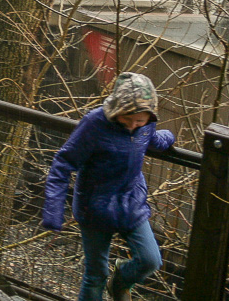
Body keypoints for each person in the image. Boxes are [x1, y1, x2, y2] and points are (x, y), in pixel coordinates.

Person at [41, 71, 175, 301]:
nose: (133, 125)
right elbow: (63, 163)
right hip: (95, 209)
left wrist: (169, 137)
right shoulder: (94, 123)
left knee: (150, 260)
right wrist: (54, 210)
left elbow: (153, 140)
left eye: (140, 121)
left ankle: (120, 280)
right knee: (95, 275)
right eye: (127, 119)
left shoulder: (146, 126)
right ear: (116, 110)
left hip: (130, 204)